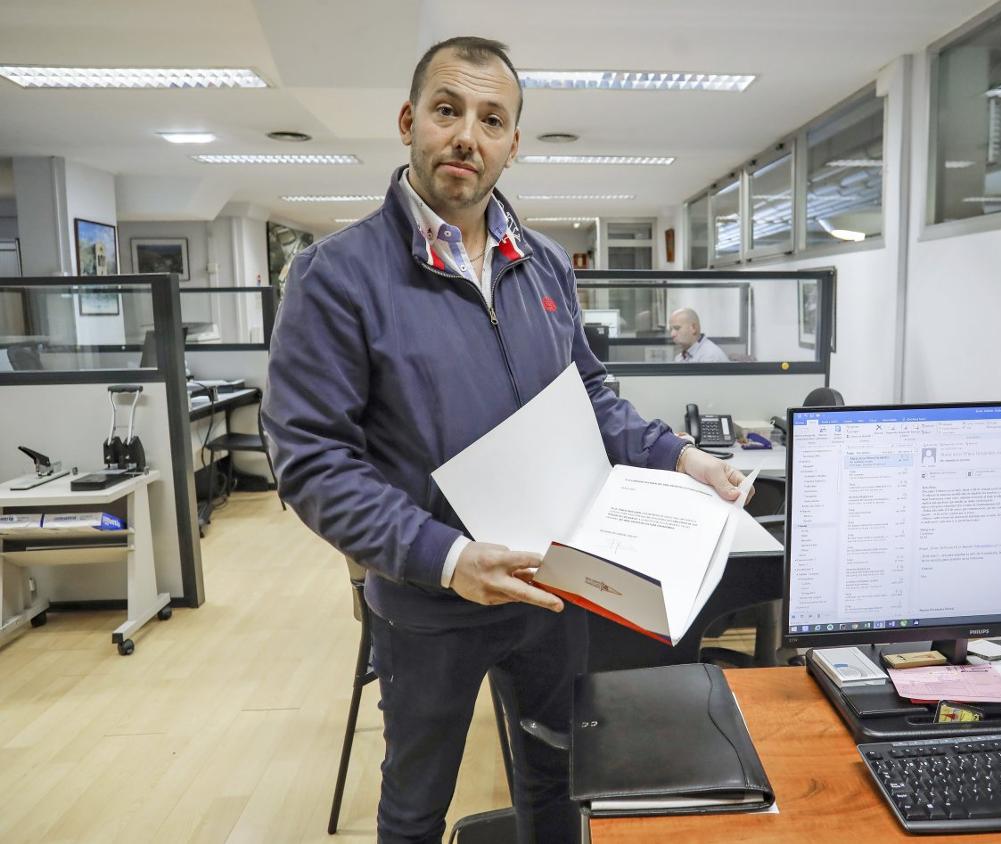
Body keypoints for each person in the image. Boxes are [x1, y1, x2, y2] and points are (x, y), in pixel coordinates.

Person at [261, 36, 750, 844]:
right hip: (429, 601)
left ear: (514, 143)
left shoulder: (546, 265)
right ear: (409, 120)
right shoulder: (336, 275)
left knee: (556, 781)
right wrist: (449, 560)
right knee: (416, 808)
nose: (468, 136)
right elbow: (312, 462)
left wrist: (682, 456)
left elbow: (589, 396)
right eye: (448, 110)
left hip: (554, 588)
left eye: (492, 119)